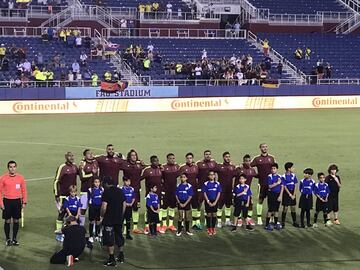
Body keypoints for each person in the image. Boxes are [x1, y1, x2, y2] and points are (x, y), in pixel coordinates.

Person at [101, 176, 126, 267]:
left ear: (106, 183)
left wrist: (102, 216)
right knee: (119, 236)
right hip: (118, 218)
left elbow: (104, 207)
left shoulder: (106, 192)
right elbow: (124, 204)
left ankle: (111, 258)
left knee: (109, 238)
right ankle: (121, 255)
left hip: (109, 219)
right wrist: (120, 215)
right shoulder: (120, 191)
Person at [0, 161, 27, 246]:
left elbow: (24, 191)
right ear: (8, 168)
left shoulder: (20, 178)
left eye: (14, 166)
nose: (12, 168)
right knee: (7, 221)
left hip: (17, 202)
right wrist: (1, 203)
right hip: (7, 201)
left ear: (16, 167)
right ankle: (8, 239)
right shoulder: (3, 178)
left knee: (16, 220)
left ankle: (14, 239)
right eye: (10, 167)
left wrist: (24, 202)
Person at [121, 149, 146, 234]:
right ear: (129, 156)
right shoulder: (125, 165)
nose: (134, 156)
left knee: (136, 208)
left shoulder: (139, 165)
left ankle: (135, 228)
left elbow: (146, 167)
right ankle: (125, 228)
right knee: (125, 209)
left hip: (136, 191)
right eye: (132, 155)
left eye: (135, 155)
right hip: (126, 191)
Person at [250, 143, 276, 225]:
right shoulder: (257, 159)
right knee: (260, 200)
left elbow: (275, 168)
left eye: (265, 147)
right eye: (262, 147)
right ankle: (259, 218)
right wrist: (256, 175)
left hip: (271, 184)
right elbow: (249, 166)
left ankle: (271, 217)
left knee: (271, 201)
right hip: (261, 183)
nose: (264, 148)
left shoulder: (271, 158)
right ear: (260, 148)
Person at [54, 152, 79, 233]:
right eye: (69, 156)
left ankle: (69, 231)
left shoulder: (75, 166)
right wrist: (56, 194)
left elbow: (81, 174)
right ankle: (59, 232)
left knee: (71, 214)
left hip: (72, 194)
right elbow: (56, 181)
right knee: (61, 213)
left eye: (72, 156)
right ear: (66, 157)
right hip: (63, 195)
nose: (71, 157)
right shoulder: (62, 167)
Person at [140, 155, 162, 234]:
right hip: (149, 194)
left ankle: (157, 226)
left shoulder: (160, 169)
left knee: (158, 208)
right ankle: (147, 227)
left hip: (158, 194)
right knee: (149, 210)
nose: (157, 162)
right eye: (155, 161)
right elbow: (140, 178)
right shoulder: (147, 170)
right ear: (152, 162)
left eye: (157, 161)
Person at [196, 150, 217, 230]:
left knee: (208, 204)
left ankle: (206, 221)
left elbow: (219, 170)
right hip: (201, 187)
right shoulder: (199, 164)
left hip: (211, 188)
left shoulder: (213, 163)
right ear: (204, 155)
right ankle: (197, 221)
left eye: (209, 154)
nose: (208, 156)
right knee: (199, 203)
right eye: (206, 154)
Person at [215, 152, 236, 228]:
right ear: (223, 157)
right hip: (221, 190)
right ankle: (219, 222)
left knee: (228, 205)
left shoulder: (233, 167)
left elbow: (236, 177)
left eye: (229, 156)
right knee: (220, 206)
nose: (228, 158)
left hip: (229, 190)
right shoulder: (219, 166)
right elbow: (210, 172)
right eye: (226, 157)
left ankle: (227, 221)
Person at [79, 149, 99, 226]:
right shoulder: (83, 164)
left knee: (94, 210)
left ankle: (94, 228)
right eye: (88, 154)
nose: (90, 155)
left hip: (94, 191)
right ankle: (81, 227)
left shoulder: (95, 163)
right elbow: (82, 177)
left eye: (91, 153)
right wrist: (92, 173)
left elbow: (98, 175)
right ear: (85, 155)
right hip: (85, 190)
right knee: (83, 210)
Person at [160, 153, 180, 232]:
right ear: (167, 159)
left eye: (173, 158)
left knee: (172, 208)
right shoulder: (163, 167)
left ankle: (170, 225)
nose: (172, 160)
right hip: (165, 191)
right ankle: (164, 225)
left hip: (173, 191)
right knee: (164, 208)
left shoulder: (177, 167)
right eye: (170, 158)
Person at [235, 154, 257, 226]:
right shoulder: (239, 169)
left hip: (247, 191)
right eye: (246, 161)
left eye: (249, 161)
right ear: (243, 161)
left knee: (250, 204)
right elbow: (233, 178)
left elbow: (257, 176)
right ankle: (239, 219)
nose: (248, 162)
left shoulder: (252, 170)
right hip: (239, 190)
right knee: (238, 205)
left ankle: (249, 218)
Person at [179, 153, 199, 229]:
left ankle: (194, 223)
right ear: (186, 159)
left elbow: (198, 177)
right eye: (188, 158)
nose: (189, 159)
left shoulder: (196, 167)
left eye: (190, 158)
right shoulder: (182, 167)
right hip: (184, 191)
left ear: (193, 158)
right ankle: (182, 223)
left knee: (194, 207)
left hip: (194, 190)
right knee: (184, 207)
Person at [264, 163, 284, 231]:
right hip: (271, 194)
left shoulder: (280, 177)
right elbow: (270, 186)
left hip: (278, 194)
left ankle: (275, 224)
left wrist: (280, 195)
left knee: (276, 210)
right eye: (272, 169)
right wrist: (277, 183)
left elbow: (282, 186)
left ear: (277, 169)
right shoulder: (269, 176)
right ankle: (267, 225)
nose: (273, 170)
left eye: (274, 169)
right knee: (270, 210)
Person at [202, 170, 221, 236]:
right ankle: (209, 228)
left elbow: (218, 193)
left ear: (215, 176)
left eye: (213, 175)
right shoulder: (206, 184)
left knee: (214, 214)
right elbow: (204, 193)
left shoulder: (217, 184)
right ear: (208, 176)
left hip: (215, 201)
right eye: (210, 175)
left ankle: (213, 228)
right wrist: (208, 201)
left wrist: (215, 202)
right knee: (209, 214)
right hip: (208, 201)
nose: (212, 176)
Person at [281, 162, 299, 228]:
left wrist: (294, 194)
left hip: (292, 193)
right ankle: (283, 222)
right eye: (292, 167)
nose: (293, 169)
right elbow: (284, 186)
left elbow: (296, 184)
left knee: (293, 208)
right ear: (288, 169)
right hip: (286, 193)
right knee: (285, 208)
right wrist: (290, 194)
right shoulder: (283, 176)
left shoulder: (293, 175)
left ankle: (294, 222)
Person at [87, 178, 103, 243]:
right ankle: (91, 236)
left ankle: (97, 235)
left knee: (98, 222)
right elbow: (89, 200)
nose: (97, 183)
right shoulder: (90, 190)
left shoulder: (102, 189)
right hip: (93, 207)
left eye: (98, 182)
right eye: (95, 182)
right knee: (92, 221)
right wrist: (91, 207)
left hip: (99, 207)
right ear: (93, 183)